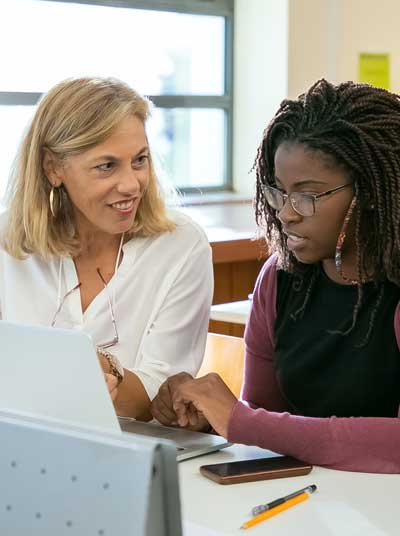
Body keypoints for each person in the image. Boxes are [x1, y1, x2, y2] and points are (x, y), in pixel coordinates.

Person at [151, 79, 400, 473]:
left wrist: (243, 422)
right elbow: (267, 418)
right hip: (311, 501)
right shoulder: (280, 279)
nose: (286, 213)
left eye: (307, 195)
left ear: (368, 192)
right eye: (277, 192)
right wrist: (214, 419)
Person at [0, 76, 213, 420]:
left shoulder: (181, 247)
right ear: (53, 167)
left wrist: (106, 375)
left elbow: (161, 398)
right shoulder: (7, 241)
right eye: (106, 166)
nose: (131, 184)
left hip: (132, 450)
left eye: (140, 160)